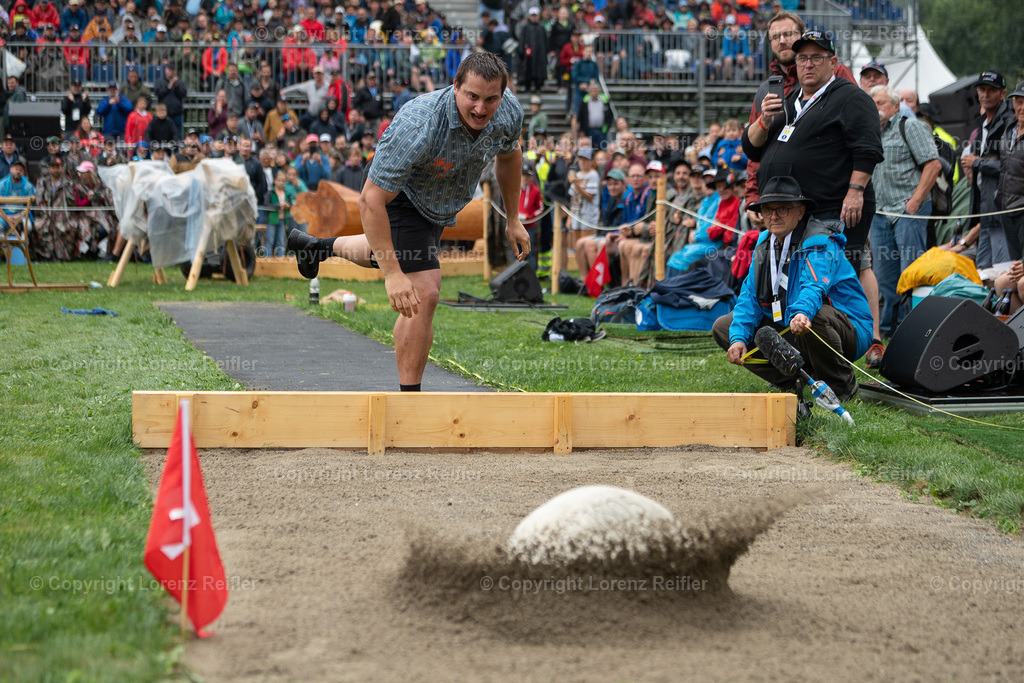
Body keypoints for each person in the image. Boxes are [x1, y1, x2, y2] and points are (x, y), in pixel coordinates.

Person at [287, 52, 529, 391]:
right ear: (455, 86)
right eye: (472, 96)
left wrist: (514, 218)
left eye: (490, 99)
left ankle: (314, 247)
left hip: (440, 201)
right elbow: (371, 200)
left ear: (502, 95)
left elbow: (510, 155)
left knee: (397, 255)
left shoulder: (508, 112)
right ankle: (409, 401)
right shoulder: (420, 123)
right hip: (396, 194)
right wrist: (392, 276)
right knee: (424, 290)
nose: (480, 108)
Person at [743, 30, 886, 366]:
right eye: (803, 57)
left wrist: (855, 191)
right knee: (804, 273)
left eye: (816, 57)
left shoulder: (850, 97)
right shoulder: (790, 100)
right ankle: (803, 339)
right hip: (796, 209)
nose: (808, 64)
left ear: (833, 62)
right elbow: (751, 146)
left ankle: (863, 340)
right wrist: (764, 119)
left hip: (835, 205)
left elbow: (867, 149)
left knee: (845, 269)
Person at [713, 176, 872, 403]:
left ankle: (841, 386)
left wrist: (803, 313)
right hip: (791, 325)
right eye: (768, 210)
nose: (774, 215)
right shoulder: (763, 244)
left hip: (845, 330)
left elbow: (814, 286)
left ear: (800, 212)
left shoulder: (819, 242)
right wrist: (738, 338)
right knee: (723, 328)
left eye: (783, 209)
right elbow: (749, 298)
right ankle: (792, 380)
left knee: (816, 315)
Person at [869, 86, 941, 336]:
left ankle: (912, 329)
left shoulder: (910, 126)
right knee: (883, 277)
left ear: (896, 106)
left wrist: (915, 202)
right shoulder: (869, 133)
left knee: (911, 273)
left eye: (880, 103)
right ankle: (888, 330)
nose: (876, 108)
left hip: (908, 210)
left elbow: (933, 164)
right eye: (872, 103)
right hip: (879, 213)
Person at [962, 71, 1017, 268]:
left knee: (1001, 270)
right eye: (982, 89)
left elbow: (1011, 166)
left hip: (1003, 211)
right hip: (984, 212)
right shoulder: (982, 124)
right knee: (983, 270)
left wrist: (977, 162)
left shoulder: (1010, 122)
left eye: (991, 90)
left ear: (1003, 94)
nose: (985, 94)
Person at [992, 80, 1024, 313]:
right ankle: (1016, 345)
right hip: (1006, 210)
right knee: (1003, 283)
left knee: (1022, 282)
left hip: (1022, 211)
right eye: (1018, 102)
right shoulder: (1009, 129)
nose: (1021, 107)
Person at [32, 156, 78, 261]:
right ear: (49, 168)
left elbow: (71, 202)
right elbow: (39, 201)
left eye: (58, 167)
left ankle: (62, 256)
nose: (55, 169)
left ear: (62, 168)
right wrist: (47, 213)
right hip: (46, 215)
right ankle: (44, 256)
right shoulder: (42, 182)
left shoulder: (68, 183)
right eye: (53, 167)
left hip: (63, 216)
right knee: (39, 227)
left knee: (66, 227)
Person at [264, 171, 296, 257]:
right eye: (279, 180)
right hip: (272, 220)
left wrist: (287, 206)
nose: (281, 182)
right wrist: (278, 205)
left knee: (281, 241)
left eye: (283, 181)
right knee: (270, 241)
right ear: (275, 181)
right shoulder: (270, 192)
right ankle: (267, 260)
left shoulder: (286, 193)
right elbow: (266, 205)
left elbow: (290, 206)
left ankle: (280, 260)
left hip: (282, 220)